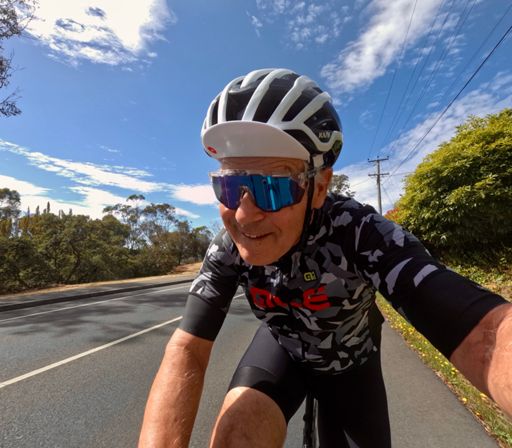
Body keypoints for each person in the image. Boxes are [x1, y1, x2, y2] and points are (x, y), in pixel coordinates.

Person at [138, 68, 512, 448]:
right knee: (237, 436)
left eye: (272, 187)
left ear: (320, 187)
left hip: (352, 361)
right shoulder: (227, 248)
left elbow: (488, 335)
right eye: (230, 187)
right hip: (281, 351)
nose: (244, 215)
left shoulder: (360, 232)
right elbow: (187, 350)